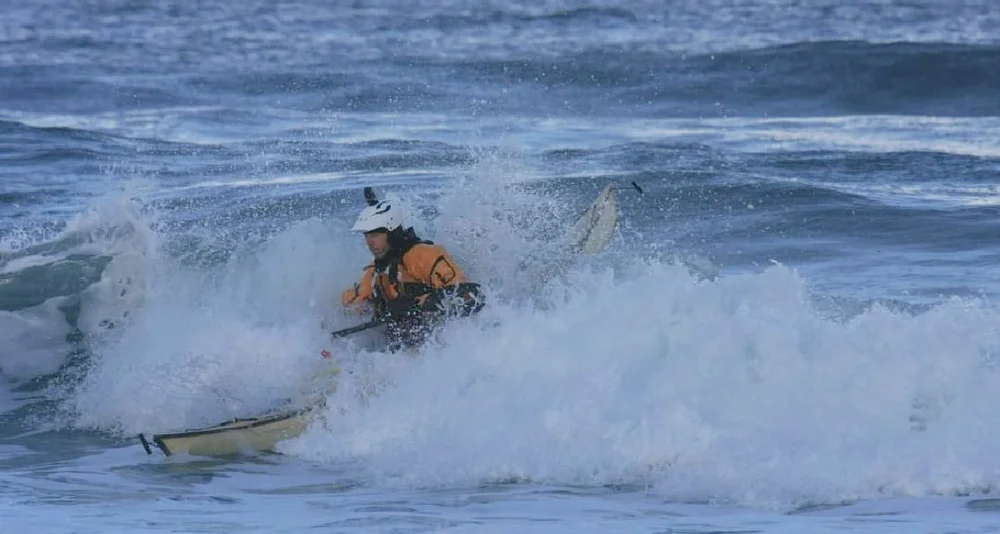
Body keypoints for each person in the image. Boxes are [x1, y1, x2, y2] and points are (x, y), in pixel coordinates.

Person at [340, 196, 485, 351]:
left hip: (438, 344)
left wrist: (424, 302)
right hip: (399, 347)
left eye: (374, 235)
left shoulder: (423, 256)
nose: (369, 242)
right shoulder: (376, 270)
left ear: (392, 233)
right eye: (366, 235)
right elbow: (353, 303)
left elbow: (470, 295)